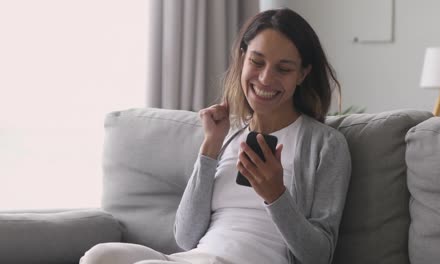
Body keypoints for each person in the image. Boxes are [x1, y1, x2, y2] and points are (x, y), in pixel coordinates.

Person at [80, 8, 351, 264]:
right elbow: (186, 237)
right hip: (199, 257)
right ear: (242, 58)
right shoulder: (227, 135)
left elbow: (318, 255)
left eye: (283, 69)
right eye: (257, 62)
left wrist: (276, 195)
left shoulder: (326, 145)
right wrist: (210, 146)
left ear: (303, 74)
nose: (266, 79)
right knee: (100, 256)